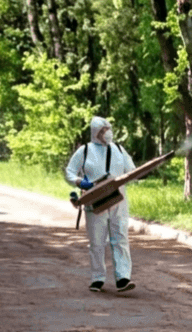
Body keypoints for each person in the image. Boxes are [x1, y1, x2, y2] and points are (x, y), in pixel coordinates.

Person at [65, 116, 136, 293]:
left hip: (118, 201)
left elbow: (132, 170)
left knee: (120, 238)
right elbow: (70, 172)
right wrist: (80, 182)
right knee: (97, 242)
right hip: (94, 202)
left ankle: (123, 278)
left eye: (109, 128)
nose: (108, 133)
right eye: (104, 130)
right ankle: (97, 278)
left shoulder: (119, 149)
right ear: (96, 133)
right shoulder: (85, 150)